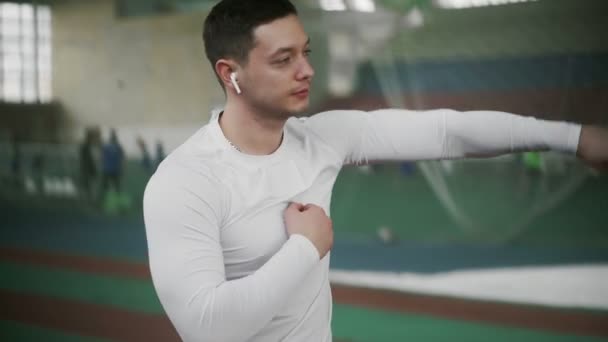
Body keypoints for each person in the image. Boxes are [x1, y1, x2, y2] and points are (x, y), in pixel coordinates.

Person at [142, 1, 608, 341]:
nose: (306, 70)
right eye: (283, 60)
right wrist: (306, 246)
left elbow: (447, 133)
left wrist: (575, 137)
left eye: (306, 52)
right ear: (231, 73)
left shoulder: (322, 138)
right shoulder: (184, 181)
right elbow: (208, 329)